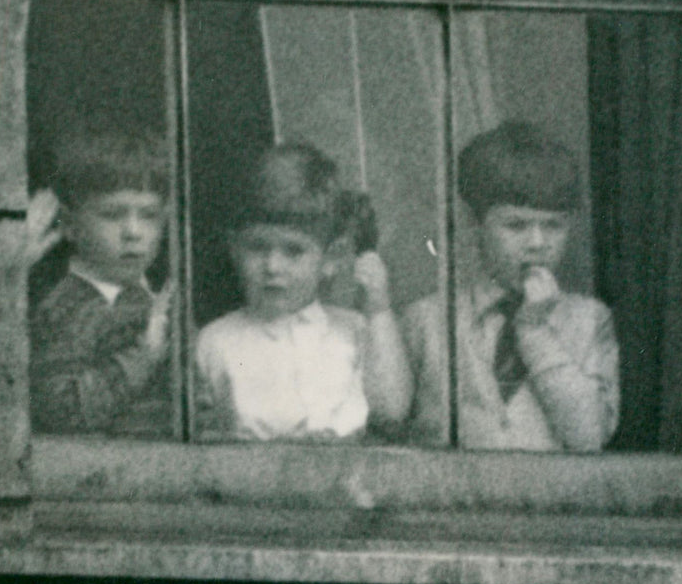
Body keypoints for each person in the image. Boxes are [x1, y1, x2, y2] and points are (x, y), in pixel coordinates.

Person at [403, 122, 619, 451]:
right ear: (474, 224)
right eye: (516, 225)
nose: (537, 243)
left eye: (553, 226)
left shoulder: (589, 320)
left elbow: (589, 436)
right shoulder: (426, 320)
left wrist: (535, 331)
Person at [194, 142, 412, 441]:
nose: (272, 266)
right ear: (234, 249)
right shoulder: (216, 341)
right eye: (257, 248)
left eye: (293, 251)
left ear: (330, 260)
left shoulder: (354, 330)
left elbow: (391, 410)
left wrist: (379, 310)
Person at [30, 131, 172, 436]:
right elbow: (64, 412)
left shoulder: (163, 304)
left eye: (149, 215)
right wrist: (143, 356)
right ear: (70, 225)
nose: (133, 232)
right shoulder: (62, 309)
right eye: (112, 215)